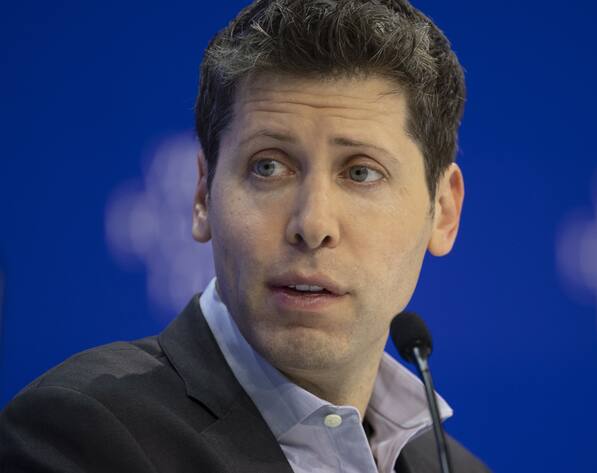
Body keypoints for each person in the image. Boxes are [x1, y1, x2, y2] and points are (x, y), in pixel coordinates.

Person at [0, 0, 490, 472]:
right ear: (201, 196)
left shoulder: (457, 469)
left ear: (443, 210)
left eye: (361, 173)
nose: (313, 224)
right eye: (269, 166)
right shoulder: (82, 435)